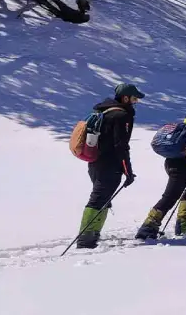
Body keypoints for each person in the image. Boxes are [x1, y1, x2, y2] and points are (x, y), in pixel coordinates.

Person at [75, 83, 143, 249]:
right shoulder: (121, 116)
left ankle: (92, 235)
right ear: (125, 98)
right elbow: (121, 146)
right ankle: (86, 239)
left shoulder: (104, 111)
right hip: (110, 165)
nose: (136, 102)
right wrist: (128, 171)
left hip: (94, 163)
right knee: (98, 200)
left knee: (102, 199)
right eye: (134, 98)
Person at [135, 108, 186, 239]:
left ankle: (183, 225)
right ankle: (148, 227)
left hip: (172, 161)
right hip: (183, 164)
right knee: (171, 196)